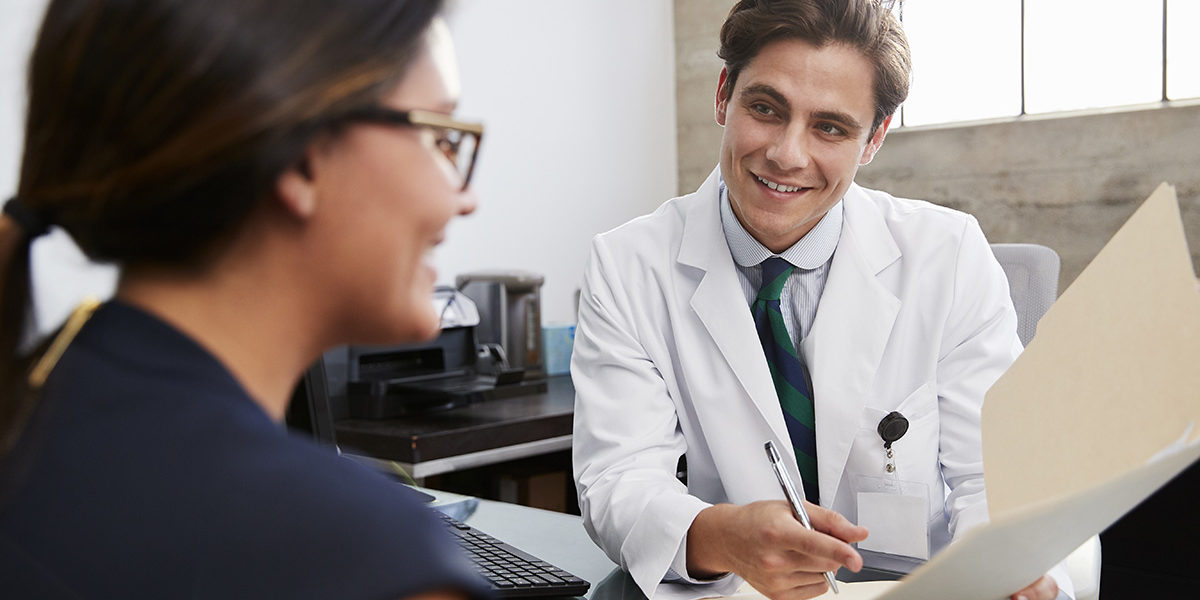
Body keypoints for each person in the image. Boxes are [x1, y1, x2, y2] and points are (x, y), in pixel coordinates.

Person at [570, 1, 1070, 600]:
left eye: (830, 127)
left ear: (873, 139)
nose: (786, 154)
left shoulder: (950, 255)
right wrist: (718, 535)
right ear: (724, 94)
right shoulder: (628, 265)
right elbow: (619, 479)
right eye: (765, 108)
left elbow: (996, 475)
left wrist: (1009, 569)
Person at [0, 1, 489, 598]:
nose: (461, 198)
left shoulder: (29, 416)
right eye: (438, 136)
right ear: (302, 155)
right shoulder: (366, 557)